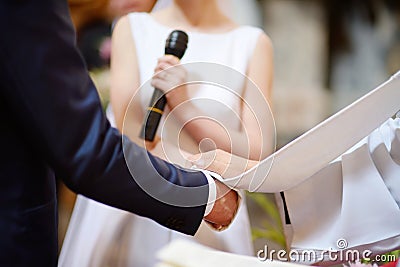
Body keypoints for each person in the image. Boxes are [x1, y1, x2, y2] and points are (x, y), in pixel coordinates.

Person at [0, 0, 239, 266]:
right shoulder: (130, 28)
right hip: (138, 190)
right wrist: (200, 193)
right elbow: (86, 145)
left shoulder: (248, 40)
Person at [60, 0, 275, 266]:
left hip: (212, 210)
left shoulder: (252, 43)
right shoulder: (132, 28)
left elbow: (257, 150)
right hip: (135, 203)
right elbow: (128, 133)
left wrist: (186, 107)